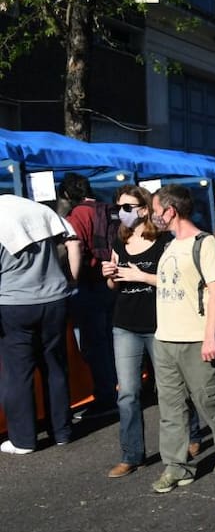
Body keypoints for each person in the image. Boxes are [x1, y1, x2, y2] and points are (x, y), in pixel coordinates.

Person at [149, 184, 215, 493]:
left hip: (196, 338)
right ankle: (177, 467)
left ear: (170, 211)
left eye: (155, 210)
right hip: (166, 341)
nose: (153, 216)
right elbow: (170, 282)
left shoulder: (204, 244)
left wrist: (210, 337)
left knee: (211, 400)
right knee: (171, 408)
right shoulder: (169, 245)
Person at [100, 185, 170, 477]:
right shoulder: (120, 240)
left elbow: (173, 280)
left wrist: (141, 276)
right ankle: (132, 454)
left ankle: (188, 438)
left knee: (168, 388)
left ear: (144, 209)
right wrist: (110, 277)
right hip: (125, 324)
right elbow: (113, 286)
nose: (121, 213)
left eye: (127, 207)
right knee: (127, 392)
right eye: (118, 208)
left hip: (159, 322)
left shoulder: (164, 240)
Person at [0, 194, 77, 453]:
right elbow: (70, 242)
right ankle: (62, 431)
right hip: (54, 298)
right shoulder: (35, 211)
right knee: (55, 367)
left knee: (18, 374)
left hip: (14, 304)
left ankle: (23, 440)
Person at [59, 173, 120, 420]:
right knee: (109, 340)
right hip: (111, 283)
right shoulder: (108, 209)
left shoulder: (76, 216)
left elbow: (75, 248)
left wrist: (71, 278)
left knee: (94, 345)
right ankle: (117, 390)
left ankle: (106, 397)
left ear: (65, 194)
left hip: (89, 284)